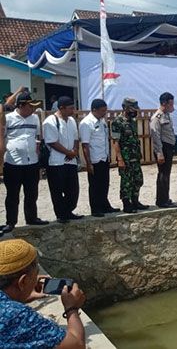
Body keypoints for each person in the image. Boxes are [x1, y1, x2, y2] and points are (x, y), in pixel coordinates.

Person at [0, 239, 87, 347]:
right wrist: (71, 309)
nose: (36, 279)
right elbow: (77, 345)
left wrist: (21, 296)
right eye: (35, 275)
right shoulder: (18, 314)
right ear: (23, 281)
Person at [2, 92, 47, 234]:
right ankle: (10, 222)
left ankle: (31, 217)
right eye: (30, 106)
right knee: (13, 195)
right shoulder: (8, 119)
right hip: (13, 163)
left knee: (32, 193)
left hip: (32, 162)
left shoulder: (34, 119)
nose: (32, 109)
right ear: (21, 105)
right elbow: (2, 138)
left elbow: (37, 137)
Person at [43, 96, 81, 223]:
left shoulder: (71, 120)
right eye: (70, 108)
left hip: (70, 160)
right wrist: (68, 152)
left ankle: (68, 210)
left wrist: (74, 151)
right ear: (61, 108)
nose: (73, 111)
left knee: (73, 190)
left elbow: (76, 138)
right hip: (56, 161)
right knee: (57, 190)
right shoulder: (50, 121)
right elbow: (52, 142)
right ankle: (61, 214)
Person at [79, 98, 118, 217]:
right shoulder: (86, 123)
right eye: (102, 111)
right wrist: (88, 163)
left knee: (105, 183)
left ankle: (104, 205)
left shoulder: (102, 121)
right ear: (94, 110)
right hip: (94, 159)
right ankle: (95, 208)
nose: (104, 113)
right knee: (95, 185)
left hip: (104, 157)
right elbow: (85, 145)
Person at [112, 98, 148, 213]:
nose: (134, 112)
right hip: (125, 157)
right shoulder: (117, 122)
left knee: (138, 179)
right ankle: (127, 204)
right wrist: (120, 159)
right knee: (126, 181)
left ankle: (135, 201)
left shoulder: (132, 121)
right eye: (132, 109)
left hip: (135, 156)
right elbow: (115, 142)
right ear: (125, 108)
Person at [150, 92, 177, 208]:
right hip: (163, 148)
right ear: (164, 103)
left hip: (168, 147)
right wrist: (159, 153)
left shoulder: (166, 115)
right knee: (163, 174)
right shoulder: (157, 117)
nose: (172, 106)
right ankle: (162, 200)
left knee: (166, 174)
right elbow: (155, 135)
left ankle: (165, 197)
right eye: (171, 104)